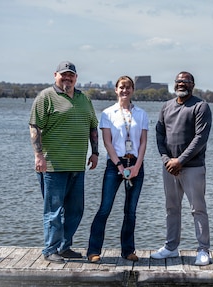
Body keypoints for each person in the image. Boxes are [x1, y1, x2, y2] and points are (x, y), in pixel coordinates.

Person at [29, 61, 99, 263]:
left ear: (76, 78)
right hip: (53, 165)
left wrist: (95, 153)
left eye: (71, 75)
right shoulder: (46, 97)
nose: (67, 78)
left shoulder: (84, 98)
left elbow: (92, 127)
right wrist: (38, 156)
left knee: (76, 209)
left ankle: (64, 246)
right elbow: (35, 127)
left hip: (78, 165)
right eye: (64, 75)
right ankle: (50, 249)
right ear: (55, 75)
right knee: (54, 210)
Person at [151, 71, 212, 266]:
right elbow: (159, 134)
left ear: (192, 84)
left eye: (185, 81)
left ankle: (203, 250)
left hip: (192, 167)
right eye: (178, 81)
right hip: (169, 167)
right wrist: (167, 159)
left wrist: (180, 161)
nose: (181, 84)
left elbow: (200, 139)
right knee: (171, 209)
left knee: (198, 209)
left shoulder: (200, 106)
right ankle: (171, 247)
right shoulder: (166, 106)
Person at [87, 76, 148, 263]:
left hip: (136, 164)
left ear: (133, 90)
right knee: (105, 208)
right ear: (116, 89)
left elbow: (144, 142)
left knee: (130, 211)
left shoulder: (142, 114)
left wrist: (137, 166)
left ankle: (128, 250)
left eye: (128, 87)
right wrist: (119, 166)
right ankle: (93, 251)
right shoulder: (108, 113)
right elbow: (107, 142)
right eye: (122, 87)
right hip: (115, 165)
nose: (125, 90)